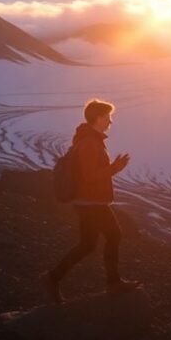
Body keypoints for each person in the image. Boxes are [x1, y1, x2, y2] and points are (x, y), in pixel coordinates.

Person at [44, 98, 140, 303]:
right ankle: (113, 283)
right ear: (97, 118)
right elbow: (90, 176)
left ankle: (52, 278)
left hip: (87, 202)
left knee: (87, 245)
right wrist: (115, 168)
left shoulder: (89, 139)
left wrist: (114, 167)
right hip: (92, 203)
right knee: (114, 236)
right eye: (108, 117)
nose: (110, 121)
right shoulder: (89, 143)